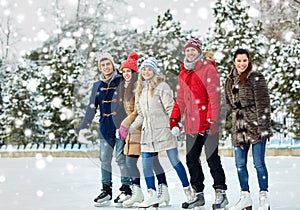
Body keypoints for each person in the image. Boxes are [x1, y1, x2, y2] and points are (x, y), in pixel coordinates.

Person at [170, 38, 228, 210]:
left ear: (199, 51)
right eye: (187, 51)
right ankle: (198, 194)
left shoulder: (208, 69)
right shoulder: (183, 73)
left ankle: (221, 193)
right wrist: (174, 119)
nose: (190, 53)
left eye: (193, 50)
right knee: (191, 160)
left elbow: (214, 97)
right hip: (191, 125)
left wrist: (211, 120)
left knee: (212, 160)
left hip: (208, 125)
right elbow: (180, 99)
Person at [128, 57, 194, 209]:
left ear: (154, 71)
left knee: (175, 162)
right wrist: (130, 128)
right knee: (146, 163)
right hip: (148, 133)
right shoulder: (139, 90)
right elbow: (141, 115)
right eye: (144, 69)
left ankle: (188, 192)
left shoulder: (162, 86)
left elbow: (171, 108)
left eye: (149, 69)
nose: (146, 72)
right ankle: (152, 195)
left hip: (164, 131)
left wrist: (175, 124)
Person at [116, 52, 170, 207]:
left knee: (149, 162)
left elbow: (137, 111)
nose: (126, 74)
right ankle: (141, 192)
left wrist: (125, 124)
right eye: (124, 71)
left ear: (135, 72)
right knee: (133, 162)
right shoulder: (126, 87)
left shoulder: (137, 86)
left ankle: (157, 192)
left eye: (129, 71)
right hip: (133, 129)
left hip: (141, 128)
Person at [78, 52, 131, 206]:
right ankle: (106, 191)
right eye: (103, 65)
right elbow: (91, 108)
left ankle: (126, 189)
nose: (106, 67)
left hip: (120, 126)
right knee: (104, 159)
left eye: (108, 64)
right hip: (105, 127)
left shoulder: (122, 80)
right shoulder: (97, 86)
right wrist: (84, 127)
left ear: (113, 65)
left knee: (121, 158)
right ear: (100, 68)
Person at [224, 49, 271, 210]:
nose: (242, 63)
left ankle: (263, 196)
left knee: (259, 163)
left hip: (256, 125)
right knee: (240, 164)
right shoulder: (230, 80)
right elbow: (228, 104)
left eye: (245, 60)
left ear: (248, 61)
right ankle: (245, 197)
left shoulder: (256, 78)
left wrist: (264, 127)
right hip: (239, 126)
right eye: (239, 60)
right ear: (234, 62)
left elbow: (264, 104)